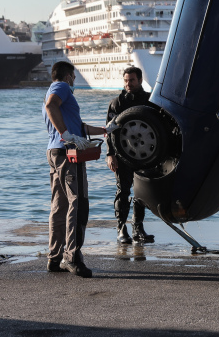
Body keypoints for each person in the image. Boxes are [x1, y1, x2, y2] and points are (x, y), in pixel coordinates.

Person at [43, 61, 112, 278]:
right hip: (68, 153)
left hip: (55, 152)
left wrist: (104, 130)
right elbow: (51, 105)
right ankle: (72, 256)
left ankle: (54, 258)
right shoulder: (61, 87)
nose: (74, 81)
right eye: (73, 77)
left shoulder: (59, 96)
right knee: (78, 202)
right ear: (69, 76)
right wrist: (66, 135)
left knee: (60, 205)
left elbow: (80, 127)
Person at [106, 66, 155, 245]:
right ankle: (121, 228)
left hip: (145, 155)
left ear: (140, 80)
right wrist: (110, 154)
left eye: (132, 80)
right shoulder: (116, 103)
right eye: (126, 81)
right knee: (123, 191)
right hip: (123, 155)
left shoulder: (150, 100)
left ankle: (138, 227)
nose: (128, 84)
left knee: (141, 192)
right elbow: (109, 131)